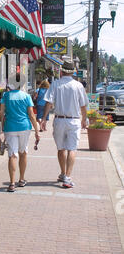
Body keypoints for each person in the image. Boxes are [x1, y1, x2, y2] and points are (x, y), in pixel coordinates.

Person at [40, 60, 88, 189]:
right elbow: (83, 105)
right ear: (73, 72)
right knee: (72, 148)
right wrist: (85, 119)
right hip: (74, 120)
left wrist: (44, 119)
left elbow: (48, 103)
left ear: (62, 71)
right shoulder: (78, 86)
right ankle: (67, 176)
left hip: (59, 119)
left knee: (61, 148)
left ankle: (63, 173)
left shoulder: (55, 84)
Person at [0, 73, 40, 192]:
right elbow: (31, 115)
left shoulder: (6, 96)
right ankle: (21, 179)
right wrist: (37, 131)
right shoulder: (26, 96)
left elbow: (1, 112)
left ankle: (12, 183)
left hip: (10, 127)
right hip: (24, 127)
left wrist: (2, 126)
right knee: (23, 152)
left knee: (12, 155)